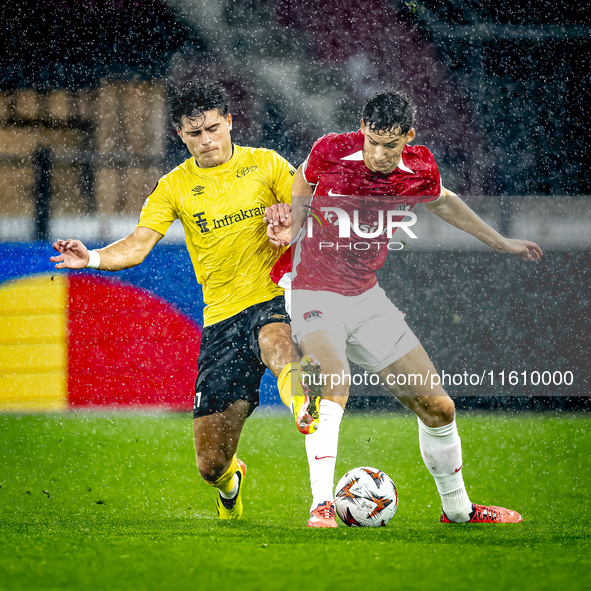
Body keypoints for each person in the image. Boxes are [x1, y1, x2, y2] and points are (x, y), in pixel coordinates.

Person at [265, 88, 543, 528]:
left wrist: (501, 242)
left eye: (389, 145)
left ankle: (459, 511)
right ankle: (321, 504)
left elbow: (444, 201)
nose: (378, 153)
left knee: (439, 408)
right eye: (372, 141)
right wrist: (295, 224)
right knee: (334, 384)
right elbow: (304, 179)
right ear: (361, 131)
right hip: (312, 289)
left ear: (408, 137)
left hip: (366, 296)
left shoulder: (420, 166)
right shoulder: (331, 150)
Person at [50, 80, 321, 521]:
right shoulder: (175, 185)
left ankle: (303, 403)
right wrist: (94, 257)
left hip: (272, 296)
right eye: (195, 134)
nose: (207, 140)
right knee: (209, 464)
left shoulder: (266, 165)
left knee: (277, 340)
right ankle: (230, 482)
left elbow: (313, 213)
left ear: (230, 122)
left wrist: (292, 219)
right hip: (220, 322)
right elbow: (137, 246)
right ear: (180, 134)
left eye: (214, 128)